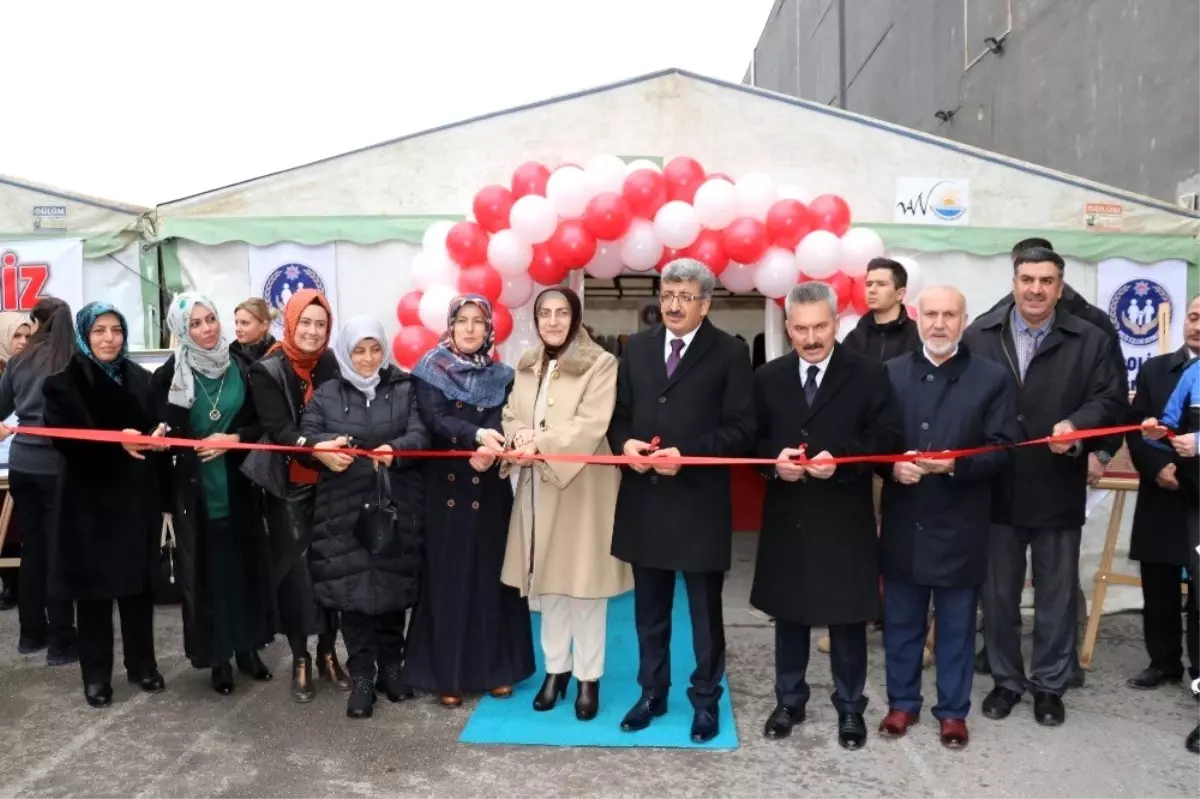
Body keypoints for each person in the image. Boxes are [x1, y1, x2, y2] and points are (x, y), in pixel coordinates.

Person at [963, 246, 1126, 726]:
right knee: (998, 595)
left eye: (1046, 281)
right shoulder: (980, 334)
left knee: (1055, 597)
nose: (1036, 289)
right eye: (1027, 279)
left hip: (1057, 484)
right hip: (998, 487)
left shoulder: (1090, 338)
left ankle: (1050, 686)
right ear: (1013, 281)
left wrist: (1078, 425)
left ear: (1060, 285)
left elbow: (1110, 397)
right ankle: (1007, 681)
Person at [608, 258, 755, 744]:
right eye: (667, 295)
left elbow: (742, 429)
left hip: (699, 504)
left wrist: (688, 456)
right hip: (646, 501)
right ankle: (652, 693)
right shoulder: (639, 349)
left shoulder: (730, 353)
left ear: (706, 303)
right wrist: (624, 443)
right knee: (648, 611)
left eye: (685, 297)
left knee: (703, 614)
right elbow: (620, 416)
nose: (673, 305)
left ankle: (706, 699)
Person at [750, 281, 901, 750]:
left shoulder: (869, 374)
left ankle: (851, 706)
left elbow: (887, 438)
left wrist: (843, 459)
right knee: (789, 615)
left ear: (837, 323)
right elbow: (749, 441)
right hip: (788, 514)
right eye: (801, 329)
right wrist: (773, 464)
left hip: (843, 513)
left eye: (820, 327)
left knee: (847, 617)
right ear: (788, 328)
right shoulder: (767, 378)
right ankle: (788, 699)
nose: (811, 338)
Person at [877, 286, 1017, 750]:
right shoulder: (889, 374)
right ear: (917, 318)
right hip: (905, 520)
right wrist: (890, 466)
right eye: (931, 314)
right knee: (901, 624)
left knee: (956, 628)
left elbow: (1003, 449)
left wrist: (955, 465)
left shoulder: (991, 379)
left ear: (964, 319)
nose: (939, 324)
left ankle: (953, 712)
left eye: (949, 315)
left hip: (961, 524)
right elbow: (872, 443)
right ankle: (902, 703)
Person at [500, 287, 633, 720]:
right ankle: (556, 670)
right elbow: (510, 413)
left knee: (584, 589)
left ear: (574, 317)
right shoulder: (525, 364)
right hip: (538, 491)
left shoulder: (600, 362)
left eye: (561, 313)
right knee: (547, 586)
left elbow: (592, 424)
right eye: (544, 313)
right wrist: (519, 434)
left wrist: (537, 443)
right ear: (535, 319)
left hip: (583, 491)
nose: (553, 321)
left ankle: (588, 677)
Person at [404, 294, 534, 708]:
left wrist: (492, 445)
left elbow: (507, 417)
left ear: (489, 328)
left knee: (491, 579)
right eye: (463, 320)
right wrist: (474, 438)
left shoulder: (503, 375)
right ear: (451, 324)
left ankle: (496, 670)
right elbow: (433, 418)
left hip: (491, 486)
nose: (471, 328)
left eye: (479, 321)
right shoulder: (429, 368)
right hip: (446, 488)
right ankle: (449, 675)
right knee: (448, 580)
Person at [301, 315, 429, 719]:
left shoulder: (406, 387)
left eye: (375, 349)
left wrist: (397, 449)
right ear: (345, 352)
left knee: (392, 590)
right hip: (342, 510)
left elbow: (422, 433)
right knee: (352, 597)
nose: (368, 358)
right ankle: (362, 678)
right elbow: (308, 434)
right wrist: (326, 449)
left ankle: (393, 668)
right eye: (359, 350)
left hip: (395, 505)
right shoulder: (326, 393)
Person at [42, 302, 167, 707]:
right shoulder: (63, 383)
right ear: (84, 335)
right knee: (93, 596)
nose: (109, 338)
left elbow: (153, 430)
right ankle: (96, 676)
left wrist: (159, 434)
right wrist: (120, 441)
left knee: (137, 590)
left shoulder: (141, 378)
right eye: (99, 331)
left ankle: (142, 665)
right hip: (88, 505)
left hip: (133, 502)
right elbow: (66, 442)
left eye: (116, 329)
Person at [150, 292, 275, 695]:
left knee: (245, 571)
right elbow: (163, 429)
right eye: (195, 324)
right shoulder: (168, 376)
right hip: (197, 494)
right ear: (181, 331)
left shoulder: (244, 366)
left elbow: (264, 426)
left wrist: (234, 438)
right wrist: (165, 436)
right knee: (208, 577)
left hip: (241, 488)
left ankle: (248, 650)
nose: (206, 329)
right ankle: (218, 658)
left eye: (210, 319)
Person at [247, 289, 348, 702]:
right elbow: (280, 430)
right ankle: (301, 658)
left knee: (332, 571)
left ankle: (328, 653)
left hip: (331, 485)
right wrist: (317, 445)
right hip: (290, 488)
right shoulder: (266, 369)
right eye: (304, 322)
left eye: (320, 324)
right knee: (296, 577)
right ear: (289, 322)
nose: (311, 331)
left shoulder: (327, 361)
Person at [1123, 294, 1200, 691]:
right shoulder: (1155, 370)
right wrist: (1159, 467)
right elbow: (1136, 429)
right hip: (1162, 490)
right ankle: (1164, 661)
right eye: (1193, 316)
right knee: (1159, 584)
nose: (1197, 325)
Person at [0, 299, 77, 659]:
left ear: (37, 322)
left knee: (32, 551)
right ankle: (61, 640)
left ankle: (31, 635)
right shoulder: (72, 361)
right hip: (57, 466)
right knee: (59, 552)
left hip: (22, 465)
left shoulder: (19, 361)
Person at [841, 257, 919, 361]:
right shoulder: (855, 337)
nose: (872, 290)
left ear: (900, 294)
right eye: (869, 284)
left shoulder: (916, 336)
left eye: (881, 284)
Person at [230, 298, 277, 363]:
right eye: (236, 323)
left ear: (264, 326)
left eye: (244, 323)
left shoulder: (279, 357)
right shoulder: (229, 356)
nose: (237, 329)